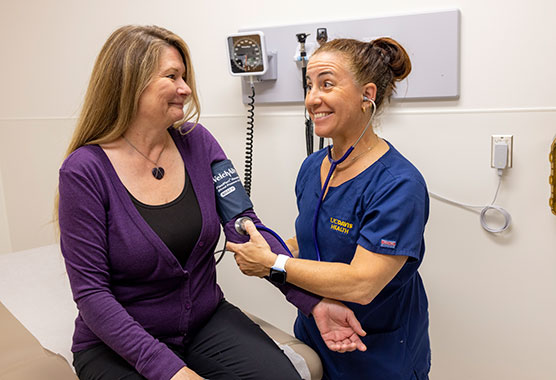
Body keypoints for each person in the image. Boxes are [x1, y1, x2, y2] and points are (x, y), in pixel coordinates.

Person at [57, 25, 363, 380]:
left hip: (203, 323)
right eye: (172, 76)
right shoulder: (84, 171)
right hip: (118, 343)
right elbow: (92, 295)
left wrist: (313, 303)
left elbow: (247, 228)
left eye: (184, 76)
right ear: (129, 83)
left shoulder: (196, 142)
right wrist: (171, 371)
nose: (185, 89)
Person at [227, 37, 431, 379]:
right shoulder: (312, 167)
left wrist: (273, 263)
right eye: (309, 86)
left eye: (327, 85)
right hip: (316, 332)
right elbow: (314, 236)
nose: (312, 99)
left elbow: (362, 283)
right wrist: (274, 246)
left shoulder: (398, 184)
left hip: (376, 349)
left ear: (367, 95)